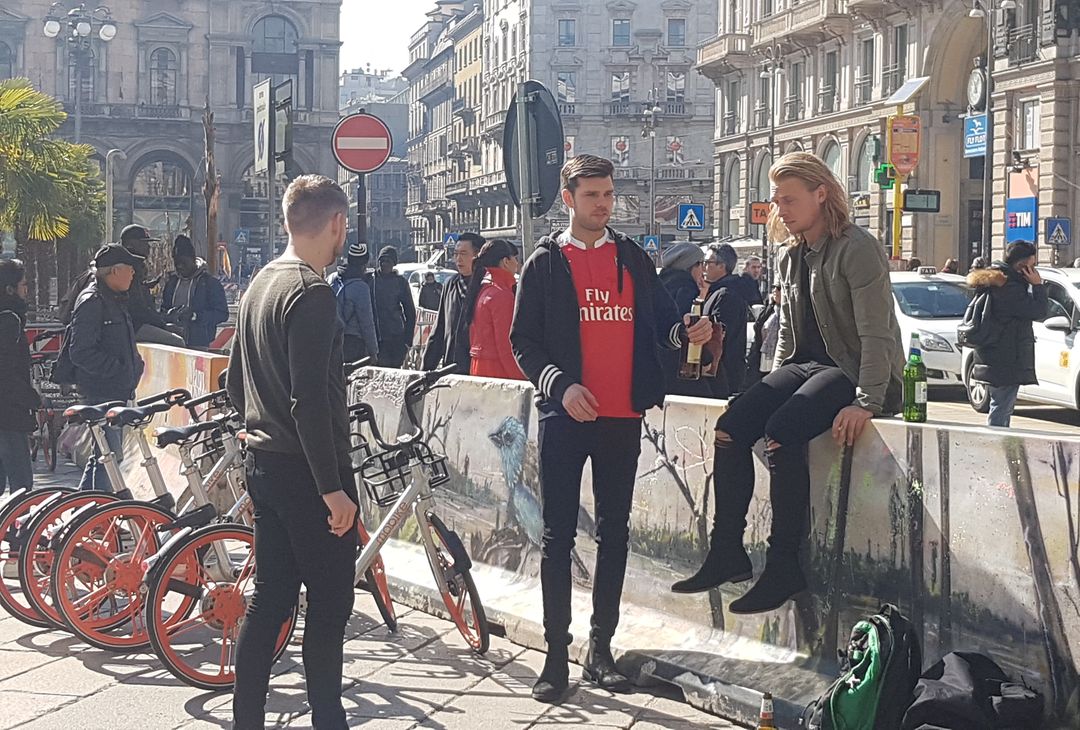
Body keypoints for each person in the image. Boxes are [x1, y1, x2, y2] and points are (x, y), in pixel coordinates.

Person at [510, 154, 713, 703]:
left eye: (608, 194)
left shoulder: (632, 259)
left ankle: (600, 651)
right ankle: (556, 657)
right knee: (556, 538)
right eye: (592, 194)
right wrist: (561, 385)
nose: (602, 204)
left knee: (615, 534)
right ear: (568, 196)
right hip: (565, 416)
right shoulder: (545, 263)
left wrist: (686, 330)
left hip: (622, 417)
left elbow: (659, 330)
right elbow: (522, 343)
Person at [670, 152, 903, 615]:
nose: (781, 209)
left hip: (852, 370)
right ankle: (726, 553)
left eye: (790, 199)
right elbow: (789, 340)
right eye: (777, 200)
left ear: (822, 194)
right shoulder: (790, 254)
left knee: (782, 431)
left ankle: (784, 565)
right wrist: (766, 386)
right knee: (732, 425)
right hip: (806, 365)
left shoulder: (857, 247)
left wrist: (868, 401)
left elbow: (877, 333)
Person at [226, 175, 358, 730]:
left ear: (286, 221)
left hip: (265, 464)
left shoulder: (259, 283)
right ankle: (329, 720)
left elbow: (234, 383)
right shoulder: (312, 291)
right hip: (310, 474)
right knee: (328, 612)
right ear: (336, 224)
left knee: (270, 600)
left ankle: (247, 722)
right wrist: (332, 488)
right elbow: (309, 400)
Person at [69, 244, 146, 492]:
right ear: (115, 271)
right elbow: (80, 351)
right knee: (111, 457)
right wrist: (119, 369)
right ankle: (95, 516)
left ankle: (84, 511)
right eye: (129, 268)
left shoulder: (112, 299)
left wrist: (134, 365)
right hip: (102, 393)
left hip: (114, 391)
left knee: (103, 456)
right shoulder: (93, 301)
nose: (133, 273)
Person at [966, 240, 1048, 428]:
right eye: (1032, 265)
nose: (1034, 270)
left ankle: (997, 441)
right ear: (1021, 266)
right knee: (1001, 407)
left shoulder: (996, 281)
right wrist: (1038, 286)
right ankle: (996, 446)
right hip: (1006, 357)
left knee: (1000, 404)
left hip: (995, 354)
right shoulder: (1008, 287)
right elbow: (1038, 311)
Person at [0, 259, 38, 494]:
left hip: (8, 409)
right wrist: (30, 398)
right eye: (24, 285)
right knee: (21, 484)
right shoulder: (8, 321)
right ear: (9, 289)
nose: (27, 290)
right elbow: (6, 369)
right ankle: (21, 530)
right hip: (9, 412)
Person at [658, 241, 712, 398]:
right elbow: (689, 328)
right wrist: (705, 358)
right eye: (701, 264)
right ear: (691, 266)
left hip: (659, 367)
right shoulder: (686, 288)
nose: (703, 270)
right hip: (680, 368)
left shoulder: (660, 285)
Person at [424, 232, 484, 373]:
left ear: (478, 256)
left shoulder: (487, 286)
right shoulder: (450, 284)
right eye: (456, 254)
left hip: (478, 369)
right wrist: (425, 370)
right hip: (451, 367)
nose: (458, 259)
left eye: (463, 254)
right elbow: (440, 329)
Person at [466, 239, 524, 380]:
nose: (517, 263)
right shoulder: (501, 295)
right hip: (498, 373)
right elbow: (506, 347)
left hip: (481, 371)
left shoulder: (484, 289)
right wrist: (522, 380)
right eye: (515, 258)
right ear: (505, 261)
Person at [161, 235, 229, 349]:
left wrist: (195, 316)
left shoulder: (209, 284)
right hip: (172, 343)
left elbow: (222, 314)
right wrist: (169, 315)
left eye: (183, 262)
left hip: (200, 344)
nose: (180, 267)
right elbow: (164, 309)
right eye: (176, 263)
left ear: (193, 259)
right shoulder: (171, 283)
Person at [702, 243, 750, 398]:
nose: (704, 267)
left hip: (724, 373)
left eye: (708, 263)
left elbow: (719, 336)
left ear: (722, 266)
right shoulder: (718, 291)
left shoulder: (726, 294)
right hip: (721, 372)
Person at [327, 242, 379, 362]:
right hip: (352, 343)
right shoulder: (360, 287)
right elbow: (367, 322)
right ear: (364, 264)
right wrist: (373, 352)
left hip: (330, 340)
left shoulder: (332, 279)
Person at [373, 246, 417, 368]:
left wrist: (407, 340)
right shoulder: (371, 280)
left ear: (394, 264)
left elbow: (410, 311)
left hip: (395, 336)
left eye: (388, 261)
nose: (385, 264)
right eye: (382, 260)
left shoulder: (400, 283)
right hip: (375, 336)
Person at [744, 284, 782, 388]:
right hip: (761, 355)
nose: (775, 291)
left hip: (777, 356)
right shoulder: (770, 309)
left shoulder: (787, 313)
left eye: (779, 288)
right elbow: (758, 326)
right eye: (774, 287)